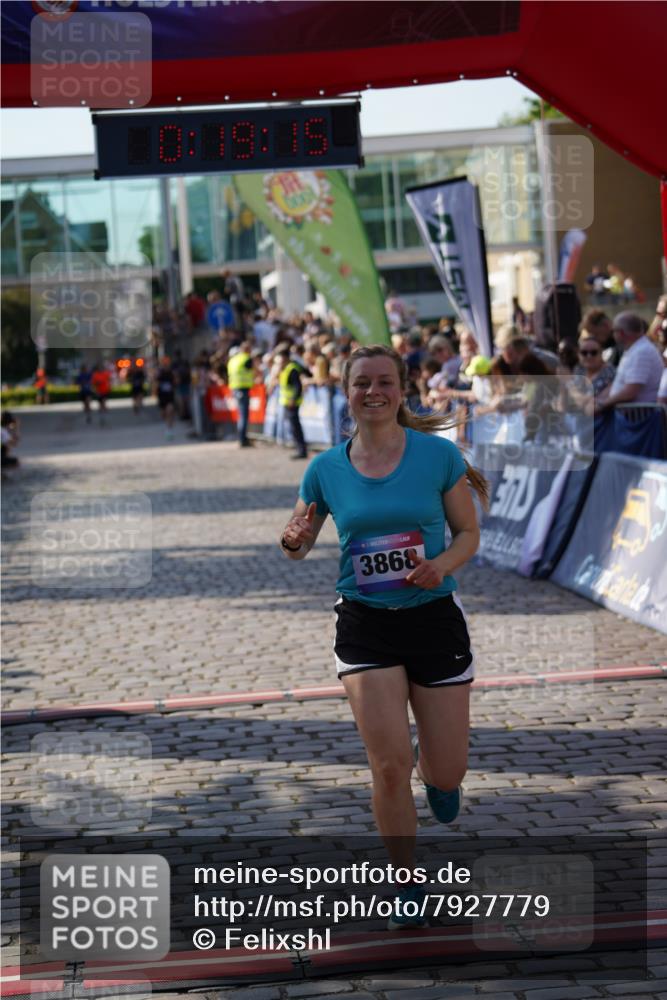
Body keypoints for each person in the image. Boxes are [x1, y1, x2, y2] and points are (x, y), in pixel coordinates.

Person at [279, 344, 487, 928]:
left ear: (403, 389)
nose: (373, 392)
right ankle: (404, 882)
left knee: (445, 772)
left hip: (432, 617)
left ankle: (440, 778)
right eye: (361, 383)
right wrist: (293, 536)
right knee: (389, 765)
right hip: (365, 621)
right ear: (345, 393)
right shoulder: (325, 469)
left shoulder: (436, 456)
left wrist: (441, 564)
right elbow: (298, 543)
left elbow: (467, 532)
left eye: (385, 382)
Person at [597, 312, 663, 412]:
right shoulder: (634, 349)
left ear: (621, 333)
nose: (613, 334)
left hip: (638, 421)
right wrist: (598, 400)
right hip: (631, 419)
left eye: (613, 331)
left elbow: (630, 391)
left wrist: (601, 405)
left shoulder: (642, 352)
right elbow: (619, 383)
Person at [272, 346, 309, 459]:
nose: (279, 361)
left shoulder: (292, 369)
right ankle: (300, 449)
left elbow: (297, 386)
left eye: (280, 358)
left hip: (292, 403)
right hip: (288, 402)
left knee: (295, 427)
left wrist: (293, 399)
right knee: (293, 427)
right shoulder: (287, 367)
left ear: (285, 357)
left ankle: (301, 450)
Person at [227, 340, 256, 448]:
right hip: (243, 389)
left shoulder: (233, 360)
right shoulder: (246, 359)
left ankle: (242, 438)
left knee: (241, 415)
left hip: (235, 389)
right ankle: (242, 440)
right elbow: (255, 371)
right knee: (243, 416)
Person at [154, 356, 176, 440]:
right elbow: (155, 382)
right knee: (163, 414)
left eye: (167, 363)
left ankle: (169, 429)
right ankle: (168, 425)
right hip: (162, 396)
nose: (166, 364)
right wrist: (155, 393)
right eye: (164, 363)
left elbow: (175, 381)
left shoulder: (172, 372)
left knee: (169, 411)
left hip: (170, 395)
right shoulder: (159, 372)